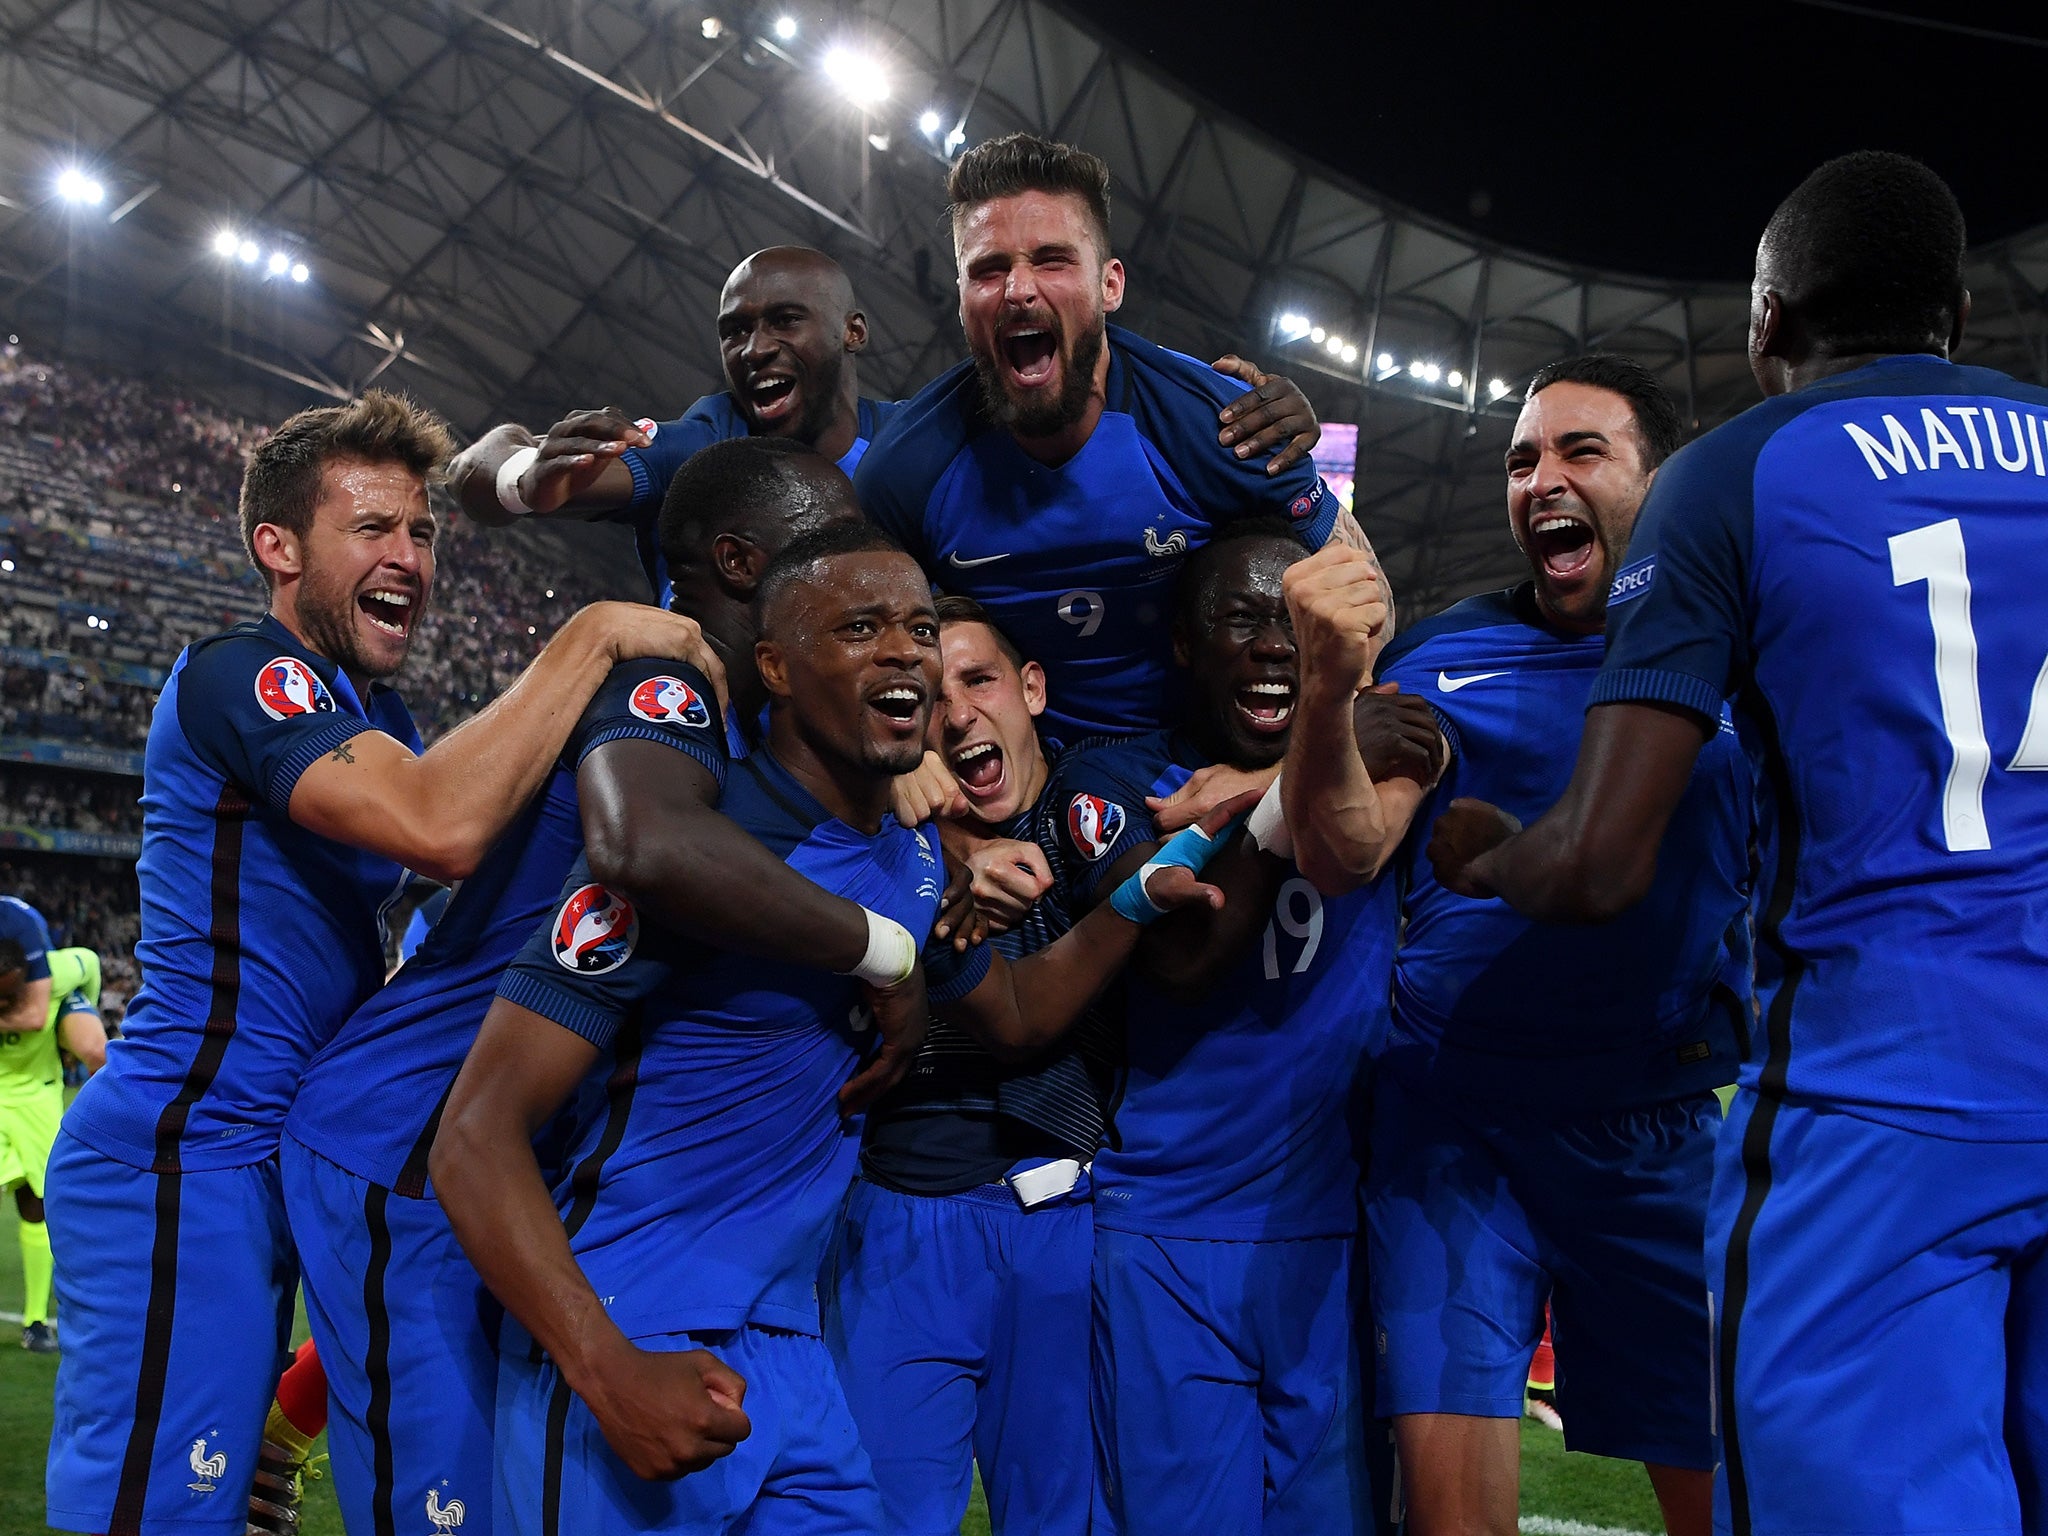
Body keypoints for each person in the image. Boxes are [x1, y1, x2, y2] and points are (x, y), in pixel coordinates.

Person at [1424, 153, 2048, 1535]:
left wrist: (1485, 855)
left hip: (1880, 1094)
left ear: (1766, 322)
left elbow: (1595, 862)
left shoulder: (1735, 473)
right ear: (1954, 312)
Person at [431, 524, 1242, 1535]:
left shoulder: (913, 860)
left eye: (918, 629)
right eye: (859, 628)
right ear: (775, 666)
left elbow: (1018, 1012)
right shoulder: (702, 856)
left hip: (795, 1352)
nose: (904, 652)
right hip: (635, 1326)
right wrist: (606, 1368)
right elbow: (473, 1137)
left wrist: (1135, 900)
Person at [40, 390, 722, 1536]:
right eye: (371, 528)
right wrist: (595, 634)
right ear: (278, 547)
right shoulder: (241, 673)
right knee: (160, 1516)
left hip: (273, 1158)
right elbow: (439, 827)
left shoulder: (382, 717)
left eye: (422, 531)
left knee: (232, 1492)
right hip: (185, 1151)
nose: (409, 555)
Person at [277, 438, 899, 1536]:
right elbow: (637, 844)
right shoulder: (668, 683)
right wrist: (882, 953)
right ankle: (276, 1435)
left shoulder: (752, 722)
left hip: (492, 1146)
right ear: (744, 565)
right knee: (448, 1508)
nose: (851, 571)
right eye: (827, 547)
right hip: (409, 1135)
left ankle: (282, 1425)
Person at [1283, 356, 1751, 1536]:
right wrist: (1328, 694)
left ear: (1660, 480)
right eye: (1520, 459)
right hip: (1454, 1130)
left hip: (1655, 1132)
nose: (1540, 479)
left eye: (1579, 451)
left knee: (1727, 1509)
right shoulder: (1446, 654)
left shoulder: (1741, 659)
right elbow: (1348, 848)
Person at [1049, 520, 1398, 1535]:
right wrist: (1287, 793)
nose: (1275, 645)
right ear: (1184, 645)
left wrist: (1295, 765)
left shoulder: (1379, 757)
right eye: (1243, 621)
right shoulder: (1110, 783)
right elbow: (1178, 958)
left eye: (1293, 623)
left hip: (1340, 1236)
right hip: (1165, 1233)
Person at [452, 243, 1320, 617]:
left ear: (852, 332)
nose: (754, 349)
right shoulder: (706, 446)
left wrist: (1237, 401)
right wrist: (524, 475)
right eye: (733, 331)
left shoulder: (921, 457)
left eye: (783, 321)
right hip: (710, 758)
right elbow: (478, 476)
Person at [855, 132, 1377, 745]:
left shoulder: (1223, 426)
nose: (1018, 290)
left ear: (1110, 285)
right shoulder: (905, 471)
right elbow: (863, 656)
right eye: (988, 270)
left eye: (1051, 260)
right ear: (963, 297)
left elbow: (1370, 609)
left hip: (1205, 757)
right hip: (1014, 770)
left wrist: (1291, 763)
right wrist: (913, 767)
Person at [822, 596, 1114, 1535]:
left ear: (1033, 688)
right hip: (899, 1221)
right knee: (878, 1521)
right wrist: (935, 841)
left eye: (978, 681)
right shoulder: (871, 832)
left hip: (1068, 1218)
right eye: (931, 695)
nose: (957, 715)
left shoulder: (1103, 801)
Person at [0, 933, 104, 1353]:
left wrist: (77, 1006)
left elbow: (91, 963)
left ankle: (35, 1321)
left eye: (11, 993)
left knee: (36, 1205)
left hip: (37, 1098)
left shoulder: (58, 970)